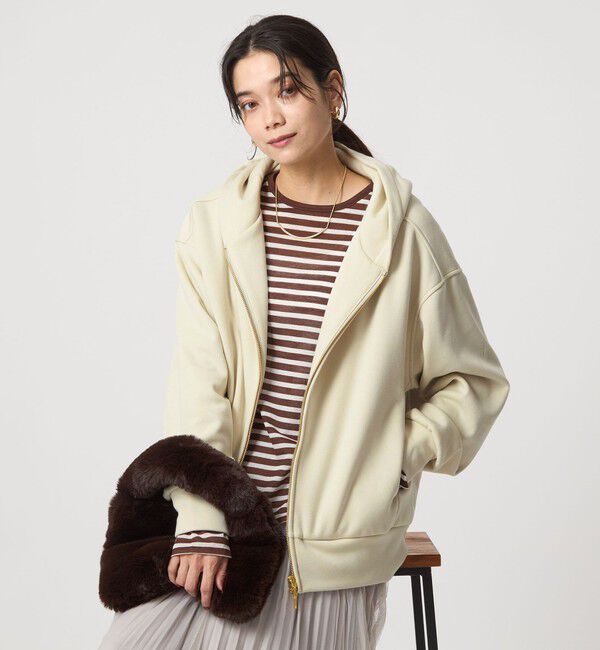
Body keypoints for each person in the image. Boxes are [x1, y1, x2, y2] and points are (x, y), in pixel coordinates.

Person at [98, 13, 510, 650]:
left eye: (287, 90)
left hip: (331, 547)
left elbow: (473, 383)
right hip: (226, 530)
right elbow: (199, 384)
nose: (271, 117)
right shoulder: (215, 226)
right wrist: (202, 517)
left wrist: (394, 455)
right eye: (250, 103)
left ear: (333, 89)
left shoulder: (404, 234)